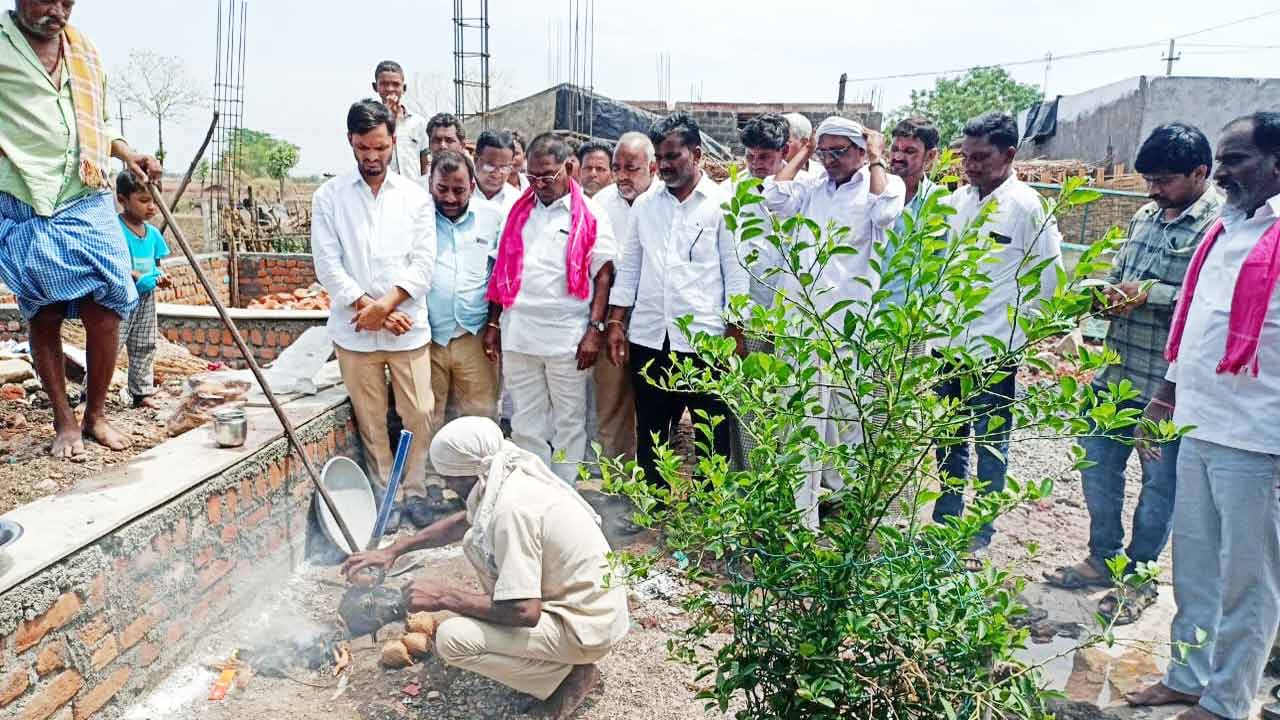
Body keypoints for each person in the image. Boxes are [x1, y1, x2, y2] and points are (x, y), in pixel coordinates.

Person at [1125, 111, 1280, 720]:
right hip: (1197, 422)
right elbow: (1194, 328)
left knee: (1248, 578)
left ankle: (1226, 702)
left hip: (1257, 436)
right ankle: (1188, 678)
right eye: (1220, 158)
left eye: (1236, 159)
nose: (1221, 172)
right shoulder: (1224, 229)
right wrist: (1164, 397)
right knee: (1192, 563)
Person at [1044, 124, 1222, 624]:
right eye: (1148, 179)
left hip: (1167, 387)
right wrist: (1105, 292)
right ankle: (1103, 556)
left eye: (1164, 180)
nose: (1152, 190)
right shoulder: (1146, 215)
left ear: (1199, 173)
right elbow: (1125, 276)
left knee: (1159, 488)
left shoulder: (1218, 226)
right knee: (1096, 468)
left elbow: (1207, 302)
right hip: (1114, 374)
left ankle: (1138, 577)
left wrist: (1147, 294)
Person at [341, 417, 628, 719]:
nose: (448, 487)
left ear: (466, 475)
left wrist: (443, 597)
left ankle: (566, 677)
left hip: (586, 626)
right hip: (592, 609)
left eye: (448, 479)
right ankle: (554, 660)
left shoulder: (511, 512)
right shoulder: (503, 471)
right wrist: (395, 550)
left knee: (452, 640)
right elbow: (466, 519)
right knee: (478, 551)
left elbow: (523, 611)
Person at [0, 0, 162, 457]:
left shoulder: (84, 50)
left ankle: (95, 414)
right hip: (27, 198)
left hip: (84, 193)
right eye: (47, 0)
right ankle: (64, 421)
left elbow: (99, 123)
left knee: (108, 306)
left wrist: (129, 155)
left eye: (67, 2)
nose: (58, 11)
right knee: (45, 312)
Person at [763, 115, 905, 527]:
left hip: (847, 326)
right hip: (804, 324)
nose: (830, 161)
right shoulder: (811, 189)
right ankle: (803, 515)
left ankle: (844, 498)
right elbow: (773, 198)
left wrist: (877, 159)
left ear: (862, 151)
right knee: (805, 417)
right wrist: (804, 153)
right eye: (824, 152)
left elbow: (884, 216)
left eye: (838, 152)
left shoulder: (883, 185)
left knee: (845, 420)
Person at [933, 111, 1062, 552]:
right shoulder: (958, 202)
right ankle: (945, 522)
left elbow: (1048, 278)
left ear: (1009, 154)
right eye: (965, 157)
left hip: (994, 349)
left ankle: (980, 533)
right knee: (948, 439)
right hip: (948, 344)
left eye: (981, 157)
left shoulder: (1027, 206)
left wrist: (1019, 336)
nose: (970, 166)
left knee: (990, 444)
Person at [606, 112, 749, 488]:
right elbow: (631, 270)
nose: (665, 166)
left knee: (709, 437)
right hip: (651, 338)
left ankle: (710, 517)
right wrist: (617, 323)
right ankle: (651, 508)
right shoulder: (646, 206)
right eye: (661, 158)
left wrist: (736, 333)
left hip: (705, 341)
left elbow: (735, 274)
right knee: (652, 433)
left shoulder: (721, 206)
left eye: (673, 157)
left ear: (697, 154)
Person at [312, 99, 436, 508]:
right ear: (350, 141)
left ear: (393, 142)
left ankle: (415, 490)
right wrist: (372, 309)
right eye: (363, 148)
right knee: (371, 421)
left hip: (407, 326)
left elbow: (423, 264)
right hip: (355, 330)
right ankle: (388, 498)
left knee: (419, 412)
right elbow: (328, 265)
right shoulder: (329, 197)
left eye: (380, 148)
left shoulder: (415, 198)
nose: (372, 157)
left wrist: (388, 305)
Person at [481, 133, 617, 484]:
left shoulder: (590, 214)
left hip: (567, 339)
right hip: (519, 333)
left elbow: (603, 275)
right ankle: (533, 490)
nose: (539, 184)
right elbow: (500, 271)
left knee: (568, 422)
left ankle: (563, 493)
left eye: (548, 176)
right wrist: (494, 326)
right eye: (532, 177)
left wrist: (594, 330)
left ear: (568, 168)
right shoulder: (517, 211)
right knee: (527, 421)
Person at [424, 150, 504, 464]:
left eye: (459, 190)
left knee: (479, 416)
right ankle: (431, 485)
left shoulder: (492, 218)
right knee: (428, 415)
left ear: (472, 185)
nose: (450, 198)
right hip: (428, 338)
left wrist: (494, 326)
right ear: (430, 184)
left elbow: (499, 275)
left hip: (475, 336)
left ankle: (481, 484)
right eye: (442, 189)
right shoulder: (419, 218)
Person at [585, 132, 656, 466]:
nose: (622, 176)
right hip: (611, 316)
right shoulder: (599, 204)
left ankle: (655, 481)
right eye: (618, 167)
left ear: (652, 168)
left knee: (654, 405)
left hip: (655, 322)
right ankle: (617, 478)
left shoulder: (663, 201)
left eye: (632, 167)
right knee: (611, 400)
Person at [115, 171, 172, 409]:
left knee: (145, 343)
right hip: (120, 297)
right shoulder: (115, 229)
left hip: (146, 297)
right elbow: (117, 264)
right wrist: (135, 275)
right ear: (122, 199)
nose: (151, 207)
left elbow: (157, 266)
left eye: (154, 200)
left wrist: (162, 277)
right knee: (111, 344)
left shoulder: (153, 234)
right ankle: (90, 395)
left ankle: (141, 392)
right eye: (143, 200)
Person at [885, 116, 941, 308]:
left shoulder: (939, 204)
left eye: (909, 151)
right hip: (860, 313)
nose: (898, 157)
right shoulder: (871, 192)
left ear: (931, 156)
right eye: (894, 149)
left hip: (905, 321)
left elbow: (939, 267)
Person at [371, 60, 429, 185]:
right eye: (384, 84)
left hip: (413, 192)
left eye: (396, 84)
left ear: (404, 88)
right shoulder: (371, 123)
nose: (390, 89)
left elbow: (425, 162)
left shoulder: (418, 123)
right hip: (383, 191)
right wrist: (385, 115)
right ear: (375, 87)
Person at [473, 129, 521, 216]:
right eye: (490, 166)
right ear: (476, 160)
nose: (496, 174)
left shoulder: (517, 202)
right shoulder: (457, 194)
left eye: (504, 168)